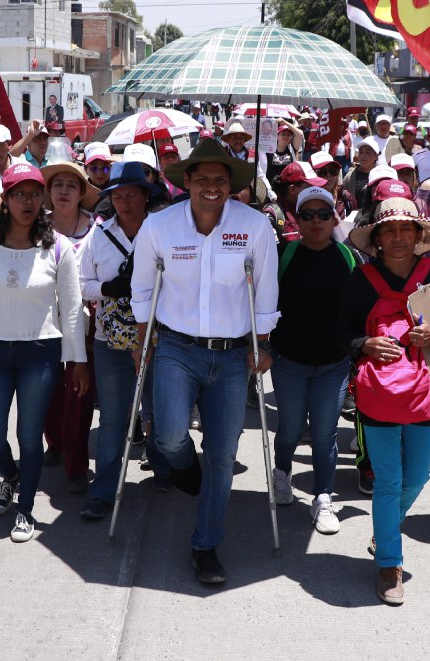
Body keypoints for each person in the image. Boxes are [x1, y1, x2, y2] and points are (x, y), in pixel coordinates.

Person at [129, 138, 278, 585]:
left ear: (230, 184)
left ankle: (206, 545)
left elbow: (265, 289)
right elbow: (141, 288)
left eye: (220, 180)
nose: (211, 188)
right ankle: (183, 465)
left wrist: (262, 340)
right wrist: (142, 339)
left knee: (223, 452)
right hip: (176, 346)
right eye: (202, 179)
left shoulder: (254, 226)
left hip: (232, 355)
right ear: (187, 182)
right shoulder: (160, 226)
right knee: (170, 435)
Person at [340, 198, 430, 605]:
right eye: (389, 231)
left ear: (419, 236)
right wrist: (365, 343)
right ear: (376, 239)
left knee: (417, 478)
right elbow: (338, 334)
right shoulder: (361, 279)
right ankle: (388, 565)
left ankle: (385, 530)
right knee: (389, 481)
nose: (398, 238)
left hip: (424, 394)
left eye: (406, 230)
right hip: (378, 397)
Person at [0, 163, 88, 544]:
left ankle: (25, 507)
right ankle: (9, 476)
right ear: (5, 200)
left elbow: (72, 308)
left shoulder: (58, 247)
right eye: (18, 194)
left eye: (33, 194)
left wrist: (77, 361)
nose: (28, 202)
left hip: (41, 353)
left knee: (30, 436)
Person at [76, 161, 171, 519]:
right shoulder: (98, 237)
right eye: (118, 196)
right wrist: (107, 289)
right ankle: (103, 491)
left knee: (160, 412)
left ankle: (163, 467)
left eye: (131, 195)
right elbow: (82, 284)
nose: (125, 202)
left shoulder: (164, 233)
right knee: (114, 418)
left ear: (146, 197)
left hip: (160, 338)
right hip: (110, 341)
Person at [270, 186, 357, 534]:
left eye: (324, 214)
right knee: (290, 429)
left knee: (324, 434)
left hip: (333, 365)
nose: (317, 221)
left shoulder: (348, 258)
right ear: (298, 219)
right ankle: (282, 472)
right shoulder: (283, 253)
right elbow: (263, 302)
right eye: (308, 215)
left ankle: (323, 497)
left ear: (334, 218)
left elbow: (361, 308)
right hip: (287, 360)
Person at [41, 146, 99, 494]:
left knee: (79, 393)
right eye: (57, 184)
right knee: (48, 391)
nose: (63, 190)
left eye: (71, 185)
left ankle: (76, 463)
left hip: (85, 325)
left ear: (81, 193)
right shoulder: (33, 228)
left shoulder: (97, 230)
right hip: (43, 324)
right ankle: (55, 442)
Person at [263, 162, 326, 243]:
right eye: (311, 188)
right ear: (293, 190)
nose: (315, 191)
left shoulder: (313, 212)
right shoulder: (271, 217)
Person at [310, 150, 354, 218]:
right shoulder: (306, 201)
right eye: (323, 171)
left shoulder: (346, 196)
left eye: (333, 170)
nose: (328, 175)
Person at [344, 142, 378, 210]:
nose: (363, 156)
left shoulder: (381, 175)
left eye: (367, 152)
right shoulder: (349, 177)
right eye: (361, 152)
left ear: (376, 156)